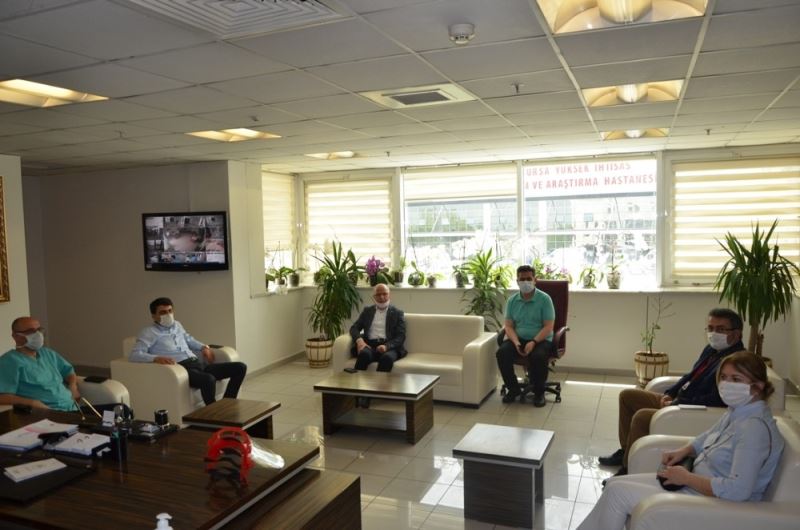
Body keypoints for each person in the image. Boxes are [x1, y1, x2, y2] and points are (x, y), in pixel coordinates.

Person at [578, 351, 784, 530]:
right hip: (697, 485)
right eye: (723, 377)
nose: (727, 384)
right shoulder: (739, 412)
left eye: (736, 379)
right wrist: (684, 451)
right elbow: (707, 437)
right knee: (614, 484)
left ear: (758, 386)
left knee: (617, 494)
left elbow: (738, 490)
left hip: (716, 502)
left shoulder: (754, 429)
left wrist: (686, 478)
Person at [599, 308, 745, 477]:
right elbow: (690, 376)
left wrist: (677, 403)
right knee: (627, 396)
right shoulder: (711, 350)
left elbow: (716, 399)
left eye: (720, 329)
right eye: (710, 328)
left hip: (690, 408)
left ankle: (628, 467)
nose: (714, 334)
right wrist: (670, 392)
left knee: (641, 417)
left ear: (737, 334)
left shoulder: (736, 362)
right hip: (679, 400)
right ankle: (626, 451)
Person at [129, 297, 247, 406]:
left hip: (198, 364)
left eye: (170, 311)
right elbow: (135, 354)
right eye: (163, 312)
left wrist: (204, 347)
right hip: (182, 370)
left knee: (240, 367)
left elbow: (189, 339)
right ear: (154, 316)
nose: (168, 315)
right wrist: (156, 358)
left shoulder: (177, 325)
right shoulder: (148, 332)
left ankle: (227, 404)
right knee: (208, 379)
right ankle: (214, 413)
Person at [0, 316, 126, 415]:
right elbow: (3, 397)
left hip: (73, 410)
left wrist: (73, 386)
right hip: (51, 416)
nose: (38, 335)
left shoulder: (47, 353)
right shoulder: (9, 361)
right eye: (31, 331)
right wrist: (31, 402)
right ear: (16, 337)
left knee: (121, 410)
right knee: (108, 426)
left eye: (39, 330)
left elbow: (68, 371)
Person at [496, 265, 555, 407]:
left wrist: (534, 342)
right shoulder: (512, 300)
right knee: (502, 353)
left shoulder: (544, 299)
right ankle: (513, 389)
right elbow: (508, 326)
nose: (525, 282)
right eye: (522, 279)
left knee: (538, 356)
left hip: (541, 339)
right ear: (517, 281)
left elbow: (548, 326)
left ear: (535, 280)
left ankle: (539, 393)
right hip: (519, 338)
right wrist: (516, 342)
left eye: (529, 279)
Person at [349, 283, 407, 373]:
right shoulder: (367, 311)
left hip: (390, 347)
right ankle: (356, 381)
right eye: (378, 294)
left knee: (386, 358)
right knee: (364, 354)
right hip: (370, 345)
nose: (382, 297)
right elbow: (354, 328)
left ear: (389, 295)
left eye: (384, 294)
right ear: (374, 297)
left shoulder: (398, 313)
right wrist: (359, 341)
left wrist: (386, 346)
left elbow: (401, 336)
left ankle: (379, 383)